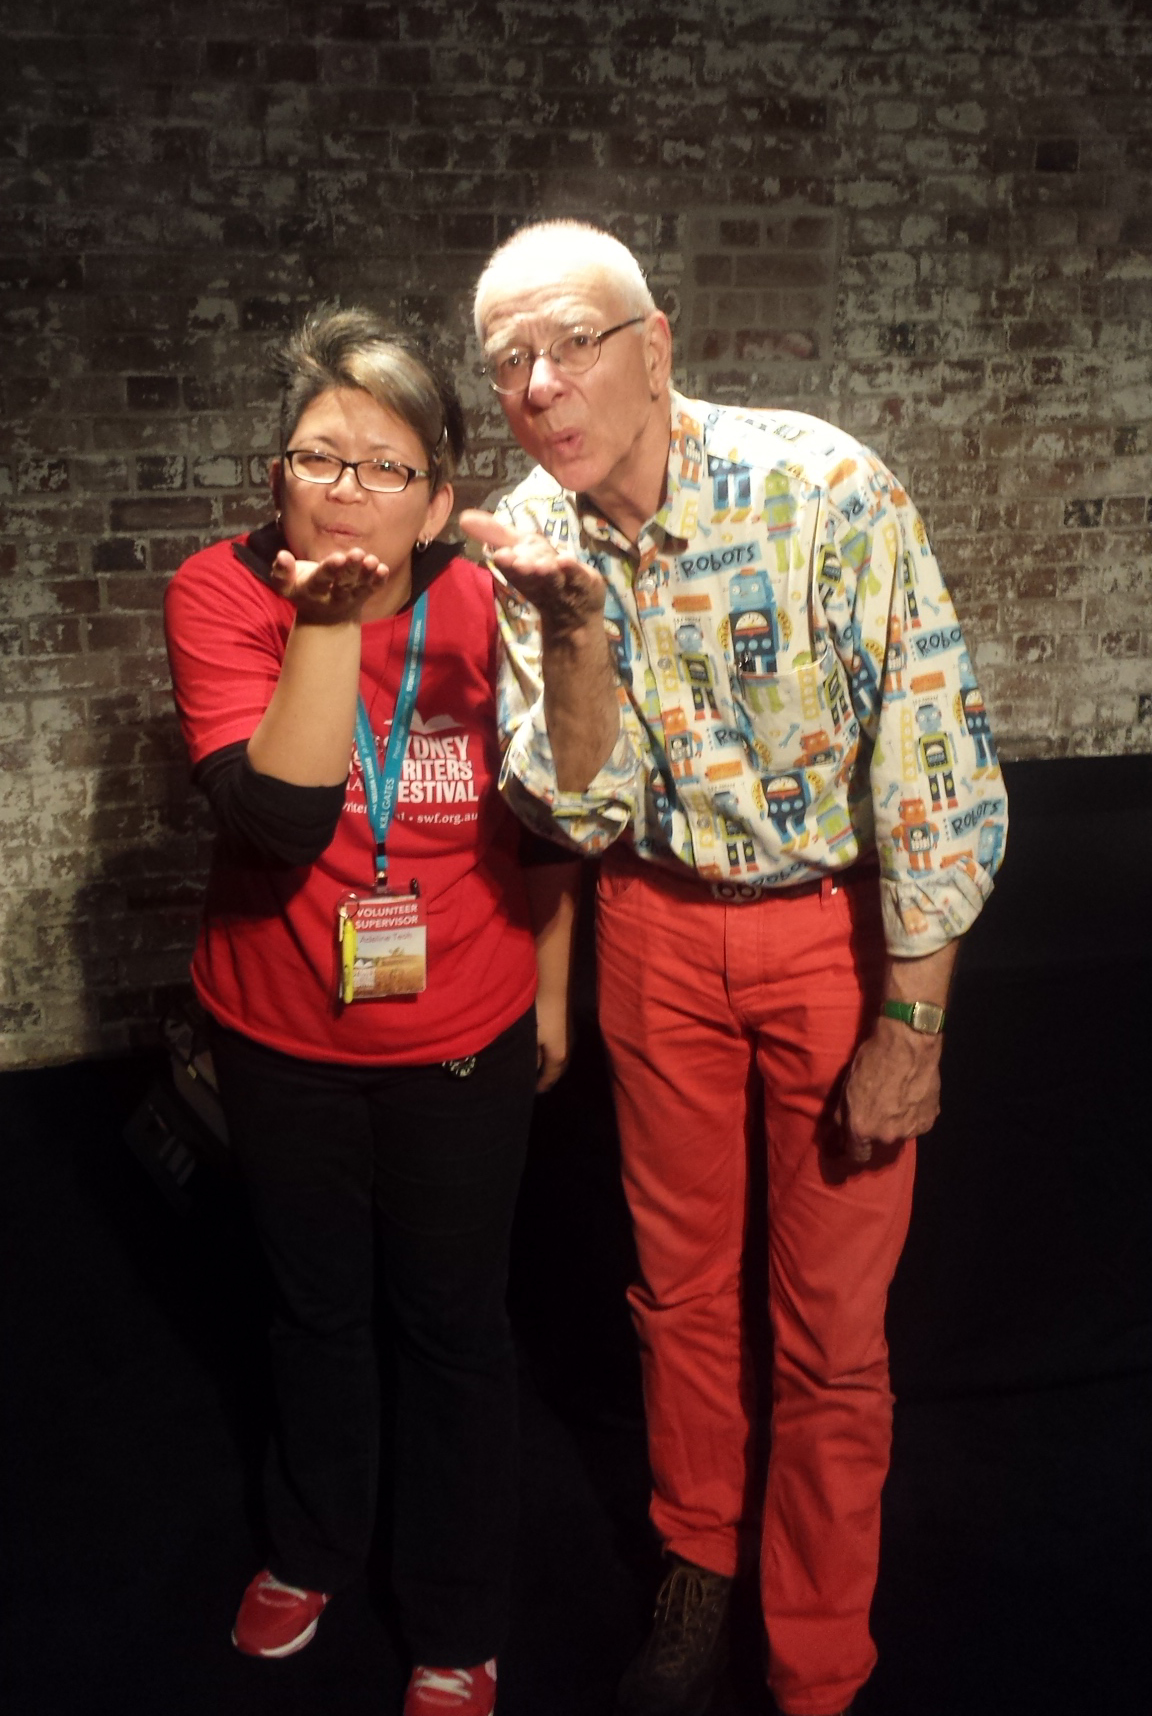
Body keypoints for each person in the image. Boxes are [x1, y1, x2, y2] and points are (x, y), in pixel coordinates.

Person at [459, 221, 1009, 1716]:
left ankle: (819, 1650)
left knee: (831, 1325)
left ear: (658, 343)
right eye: (508, 360)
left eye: (570, 341)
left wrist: (914, 1015)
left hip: (828, 932)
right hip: (651, 931)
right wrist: (571, 631)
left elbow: (933, 757)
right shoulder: (529, 533)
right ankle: (699, 1560)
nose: (540, 382)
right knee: (679, 1292)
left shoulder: (820, 482)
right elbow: (569, 808)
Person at [164, 308, 577, 1716]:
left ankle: (457, 1620)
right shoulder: (221, 594)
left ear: (442, 498)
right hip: (282, 1031)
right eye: (317, 456)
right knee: (312, 1308)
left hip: (464, 1024)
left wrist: (555, 993)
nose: (345, 487)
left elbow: (554, 822)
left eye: (385, 466)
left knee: (455, 1325)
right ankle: (312, 1542)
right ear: (274, 476)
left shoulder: (487, 600)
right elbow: (279, 821)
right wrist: (328, 623)